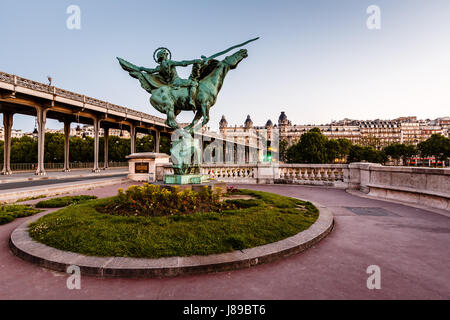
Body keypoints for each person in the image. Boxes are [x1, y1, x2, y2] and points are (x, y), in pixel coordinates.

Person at [139, 48, 204, 109]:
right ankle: (191, 100)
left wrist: (142, 68)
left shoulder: (160, 67)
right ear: (164, 56)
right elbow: (183, 63)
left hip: (169, 84)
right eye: (165, 54)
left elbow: (151, 71)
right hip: (177, 81)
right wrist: (194, 61)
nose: (166, 56)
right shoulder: (169, 62)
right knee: (194, 83)